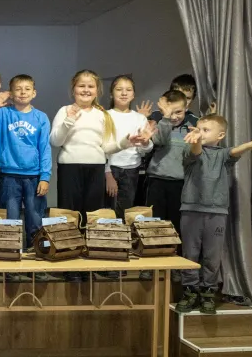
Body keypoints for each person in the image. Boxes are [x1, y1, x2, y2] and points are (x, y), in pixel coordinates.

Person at [176, 116, 252, 313]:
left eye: (206, 130)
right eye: (199, 129)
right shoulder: (190, 149)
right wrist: (196, 140)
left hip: (217, 213)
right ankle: (189, 291)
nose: (201, 133)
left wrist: (251, 144)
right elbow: (195, 152)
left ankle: (208, 292)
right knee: (190, 254)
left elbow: (233, 151)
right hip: (191, 211)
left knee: (212, 256)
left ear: (220, 135)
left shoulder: (222, 155)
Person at [50, 70, 138, 223]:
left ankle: (90, 239)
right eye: (81, 86)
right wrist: (68, 121)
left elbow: (106, 147)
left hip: (96, 169)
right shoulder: (64, 111)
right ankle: (71, 239)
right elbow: (55, 141)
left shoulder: (102, 115)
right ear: (73, 89)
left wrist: (123, 143)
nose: (86, 90)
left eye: (90, 86)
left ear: (97, 91)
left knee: (93, 214)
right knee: (69, 213)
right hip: (69, 168)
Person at [0, 74, 51, 249]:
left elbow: (45, 148)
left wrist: (45, 176)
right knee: (10, 220)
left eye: (27, 89)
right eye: (18, 89)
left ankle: (35, 254)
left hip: (34, 176)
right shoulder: (3, 113)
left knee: (35, 218)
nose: (23, 92)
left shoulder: (41, 117)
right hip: (9, 176)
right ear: (10, 93)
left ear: (34, 93)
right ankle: (12, 256)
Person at [147, 90, 198, 237]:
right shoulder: (160, 124)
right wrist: (165, 118)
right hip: (157, 180)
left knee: (176, 222)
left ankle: (176, 249)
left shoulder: (192, 127)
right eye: (170, 112)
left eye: (178, 112)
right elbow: (159, 140)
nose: (174, 117)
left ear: (186, 108)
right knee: (155, 222)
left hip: (180, 182)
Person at [105, 76, 154, 220]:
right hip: (111, 168)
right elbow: (101, 148)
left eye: (128, 90)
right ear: (111, 94)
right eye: (119, 89)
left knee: (125, 211)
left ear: (133, 95)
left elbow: (145, 150)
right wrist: (108, 174)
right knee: (108, 212)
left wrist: (145, 143)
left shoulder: (140, 118)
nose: (124, 93)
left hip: (132, 170)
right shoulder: (105, 116)